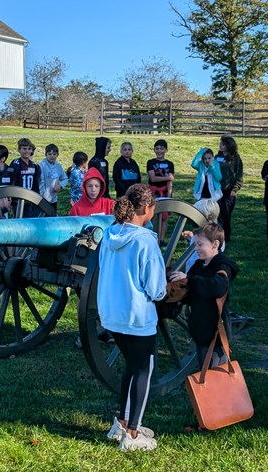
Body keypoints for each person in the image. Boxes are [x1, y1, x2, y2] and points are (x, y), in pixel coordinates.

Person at [99, 184, 166, 451]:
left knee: (130, 364)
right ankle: (134, 435)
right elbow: (155, 287)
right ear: (147, 209)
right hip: (137, 316)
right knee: (143, 370)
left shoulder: (109, 233)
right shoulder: (146, 239)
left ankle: (123, 423)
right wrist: (164, 290)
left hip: (111, 313)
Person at [169, 223, 239, 372]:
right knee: (205, 368)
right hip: (201, 329)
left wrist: (190, 279)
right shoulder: (199, 265)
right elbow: (192, 291)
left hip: (215, 332)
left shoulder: (223, 267)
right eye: (195, 244)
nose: (196, 248)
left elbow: (216, 287)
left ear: (215, 244)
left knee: (216, 373)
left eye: (200, 244)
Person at [215, 135, 244, 242]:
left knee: (226, 214)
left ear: (229, 145)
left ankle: (226, 236)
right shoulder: (216, 157)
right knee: (217, 213)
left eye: (223, 144)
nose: (220, 146)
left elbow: (239, 174)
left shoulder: (235, 158)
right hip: (217, 190)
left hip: (229, 191)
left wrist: (235, 189)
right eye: (220, 143)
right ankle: (219, 236)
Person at [182, 198, 223, 272]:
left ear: (205, 216)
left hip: (200, 272)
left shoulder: (213, 236)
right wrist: (192, 237)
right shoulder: (210, 234)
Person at [146, 139, 175, 243]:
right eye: (157, 148)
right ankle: (153, 236)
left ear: (166, 150)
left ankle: (161, 239)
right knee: (152, 214)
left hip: (165, 191)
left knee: (164, 217)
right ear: (154, 150)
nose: (159, 151)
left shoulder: (170, 164)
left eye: (161, 148)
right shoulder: (151, 162)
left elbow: (169, 182)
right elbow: (153, 178)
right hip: (153, 191)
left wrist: (169, 195)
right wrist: (168, 178)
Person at [7, 138, 42, 217]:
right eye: (24, 149)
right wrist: (10, 197)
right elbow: (11, 181)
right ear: (19, 150)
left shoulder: (35, 166)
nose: (27, 151)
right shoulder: (16, 164)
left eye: (29, 149)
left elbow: (36, 184)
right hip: (18, 199)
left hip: (31, 199)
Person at [39, 143, 68, 212]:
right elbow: (40, 182)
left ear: (57, 155)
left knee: (52, 216)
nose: (52, 156)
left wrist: (60, 185)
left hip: (53, 198)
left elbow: (65, 179)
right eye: (49, 154)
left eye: (54, 154)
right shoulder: (41, 166)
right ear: (46, 154)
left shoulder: (58, 166)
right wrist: (42, 195)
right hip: (42, 199)